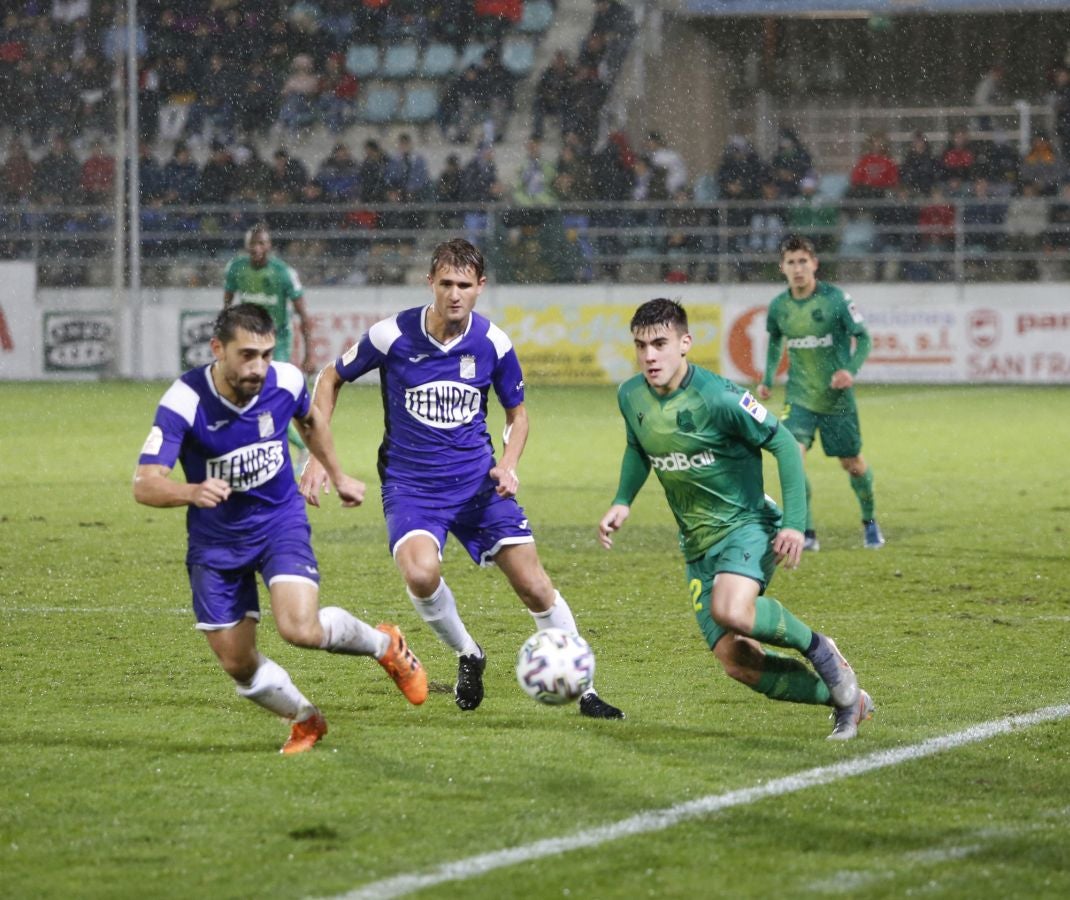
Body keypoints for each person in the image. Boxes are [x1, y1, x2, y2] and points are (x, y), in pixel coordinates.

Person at [301, 238, 624, 719]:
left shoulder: (493, 343)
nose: (455, 294)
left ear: (480, 288)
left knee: (534, 585)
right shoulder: (393, 335)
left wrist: (510, 462)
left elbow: (518, 415)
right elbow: (330, 375)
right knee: (419, 572)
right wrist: (316, 453)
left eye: (465, 285)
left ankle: (588, 690)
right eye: (446, 283)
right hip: (411, 486)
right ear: (430, 281)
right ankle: (468, 652)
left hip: (479, 484)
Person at [133, 303, 427, 755]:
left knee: (300, 628)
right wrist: (190, 492)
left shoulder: (286, 380)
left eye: (266, 354)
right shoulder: (185, 400)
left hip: (278, 522)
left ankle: (385, 646)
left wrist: (336, 472)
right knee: (238, 663)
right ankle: (305, 719)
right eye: (247, 355)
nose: (259, 367)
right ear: (218, 349)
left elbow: (310, 422)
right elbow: (145, 484)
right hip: (215, 543)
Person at [598, 298, 872, 741]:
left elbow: (783, 444)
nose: (650, 355)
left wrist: (794, 525)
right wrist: (623, 499)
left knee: (732, 609)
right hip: (696, 545)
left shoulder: (720, 396)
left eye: (660, 344)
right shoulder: (630, 396)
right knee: (737, 662)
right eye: (641, 345)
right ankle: (846, 700)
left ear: (685, 343)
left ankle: (820, 648)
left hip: (748, 524)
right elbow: (637, 446)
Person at [757, 235, 885, 550]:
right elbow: (775, 341)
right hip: (799, 398)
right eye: (791, 262)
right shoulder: (779, 307)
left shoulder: (836, 300)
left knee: (852, 464)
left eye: (803, 261)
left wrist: (848, 371)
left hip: (836, 400)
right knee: (792, 459)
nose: (798, 268)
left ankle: (869, 522)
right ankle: (807, 531)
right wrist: (768, 379)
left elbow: (864, 338)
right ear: (782, 268)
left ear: (815, 264)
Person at [223, 223, 314, 470]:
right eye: (253, 243)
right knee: (250, 397)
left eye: (261, 243)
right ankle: (273, 449)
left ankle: (299, 445)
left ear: (270, 246)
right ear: (247, 246)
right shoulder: (236, 269)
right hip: (248, 342)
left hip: (277, 343)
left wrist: (309, 353)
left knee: (268, 396)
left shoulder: (283, 273)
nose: (257, 248)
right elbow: (227, 309)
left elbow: (304, 316)